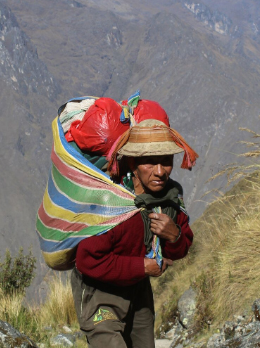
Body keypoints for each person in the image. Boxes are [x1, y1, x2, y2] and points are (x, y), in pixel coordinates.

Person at [70, 119, 196, 348]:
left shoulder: (170, 199)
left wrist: (174, 235)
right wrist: (142, 267)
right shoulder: (111, 203)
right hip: (100, 293)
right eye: (149, 162)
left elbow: (181, 247)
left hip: (138, 290)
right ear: (133, 164)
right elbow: (87, 260)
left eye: (166, 162)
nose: (160, 172)